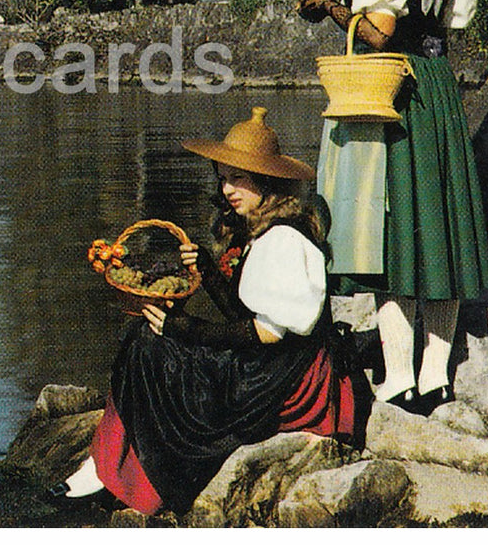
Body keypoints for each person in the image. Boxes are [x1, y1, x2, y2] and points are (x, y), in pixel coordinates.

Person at [53, 108, 367, 515]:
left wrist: (187, 328)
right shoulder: (262, 231)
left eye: (239, 178)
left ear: (267, 182)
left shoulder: (285, 240)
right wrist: (207, 271)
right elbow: (249, 313)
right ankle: (104, 463)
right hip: (273, 365)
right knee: (145, 339)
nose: (228, 188)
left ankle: (116, 473)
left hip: (285, 381)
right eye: (223, 178)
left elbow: (268, 334)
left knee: (151, 346)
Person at [299, 0, 488, 414]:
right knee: (439, 226)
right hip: (438, 85)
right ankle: (435, 376)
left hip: (397, 89)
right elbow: (449, 24)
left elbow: (381, 31)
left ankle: (398, 378)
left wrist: (331, 9)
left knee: (392, 228)